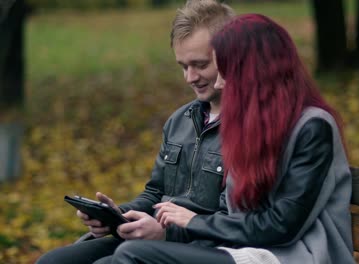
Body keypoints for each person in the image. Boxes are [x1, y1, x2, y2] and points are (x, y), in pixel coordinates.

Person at [104, 13, 355, 264]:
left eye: (226, 72)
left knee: (132, 256)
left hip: (297, 255)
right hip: (241, 248)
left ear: (256, 73)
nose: (221, 84)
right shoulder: (249, 124)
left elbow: (283, 225)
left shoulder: (312, 127)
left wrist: (193, 222)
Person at [36, 1, 235, 263]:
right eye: (183, 66)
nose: (190, 77)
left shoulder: (247, 128)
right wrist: (117, 215)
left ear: (230, 55)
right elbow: (155, 193)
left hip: (201, 249)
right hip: (150, 239)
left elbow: (234, 221)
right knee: (54, 261)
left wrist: (165, 234)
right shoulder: (180, 121)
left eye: (199, 64)